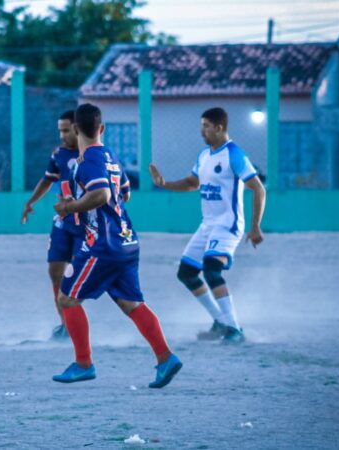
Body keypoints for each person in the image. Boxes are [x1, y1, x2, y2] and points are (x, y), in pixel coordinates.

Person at [52, 103, 182, 388]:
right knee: (131, 303)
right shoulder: (110, 156)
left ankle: (83, 363)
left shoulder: (88, 161)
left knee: (67, 299)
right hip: (126, 240)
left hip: (103, 245)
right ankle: (165, 358)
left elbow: (101, 194)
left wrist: (70, 206)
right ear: (102, 128)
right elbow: (125, 193)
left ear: (76, 129)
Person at [149, 107, 266, 344]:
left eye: (206, 126)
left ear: (219, 128)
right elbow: (192, 183)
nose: (201, 131)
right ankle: (220, 321)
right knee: (186, 273)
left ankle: (234, 329)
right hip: (207, 225)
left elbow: (258, 189)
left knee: (212, 270)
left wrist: (255, 226)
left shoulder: (234, 154)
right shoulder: (204, 155)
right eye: (201, 126)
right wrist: (164, 184)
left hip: (228, 225)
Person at [21, 110, 91, 341]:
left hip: (86, 224)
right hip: (63, 222)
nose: (62, 135)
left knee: (76, 275)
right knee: (55, 272)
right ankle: (65, 324)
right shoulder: (58, 154)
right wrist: (30, 202)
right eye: (59, 130)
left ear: (77, 129)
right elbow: (47, 179)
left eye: (66, 130)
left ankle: (75, 321)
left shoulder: (93, 154)